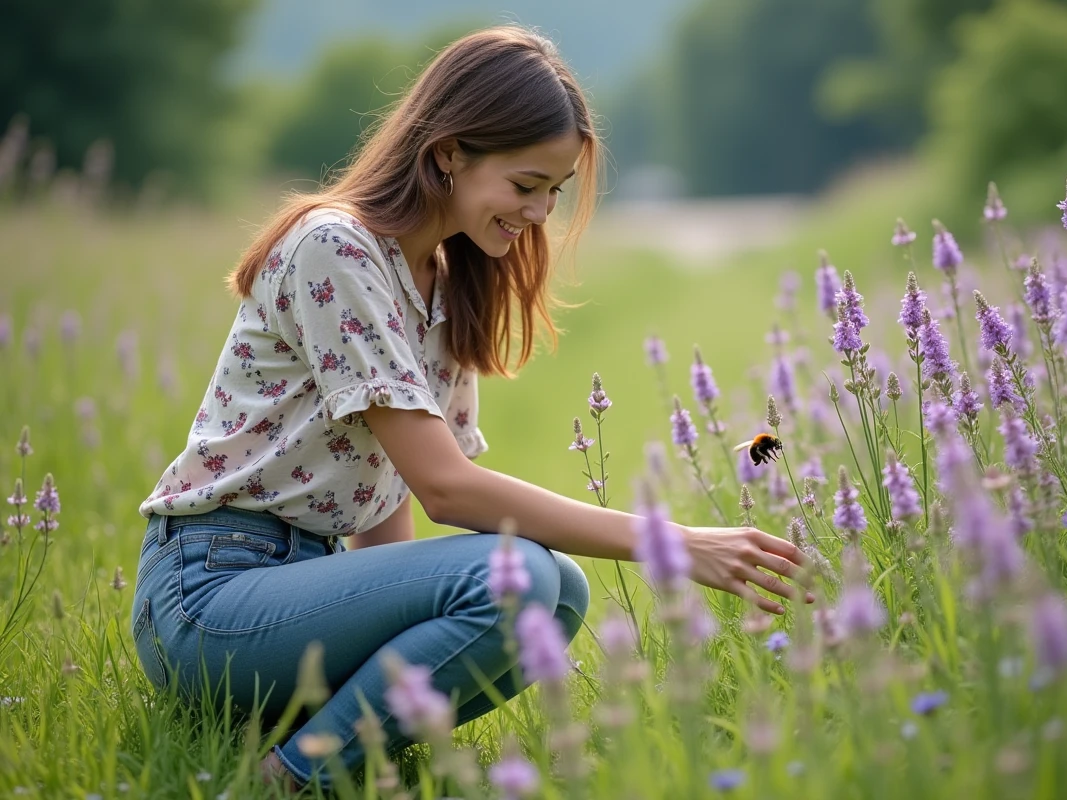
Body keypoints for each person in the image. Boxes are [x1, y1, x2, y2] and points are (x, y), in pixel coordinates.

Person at [130, 24, 803, 791]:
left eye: (555, 191)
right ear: (449, 152)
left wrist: (386, 640)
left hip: (300, 592)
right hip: (210, 595)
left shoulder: (444, 282)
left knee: (558, 594)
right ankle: (286, 779)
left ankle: (327, 755)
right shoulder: (335, 248)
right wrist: (668, 542)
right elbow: (445, 488)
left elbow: (385, 495)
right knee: (513, 577)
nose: (542, 212)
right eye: (525, 185)